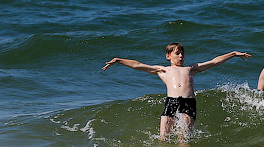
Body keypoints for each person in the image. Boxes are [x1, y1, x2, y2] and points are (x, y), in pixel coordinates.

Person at [103, 42, 251, 140]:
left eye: (182, 53)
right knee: (163, 137)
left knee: (184, 138)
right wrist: (118, 60)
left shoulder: (191, 68)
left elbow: (214, 61)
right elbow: (137, 65)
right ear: (168, 56)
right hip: (171, 102)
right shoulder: (163, 70)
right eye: (177, 53)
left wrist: (232, 54)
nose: (181, 56)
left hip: (188, 102)